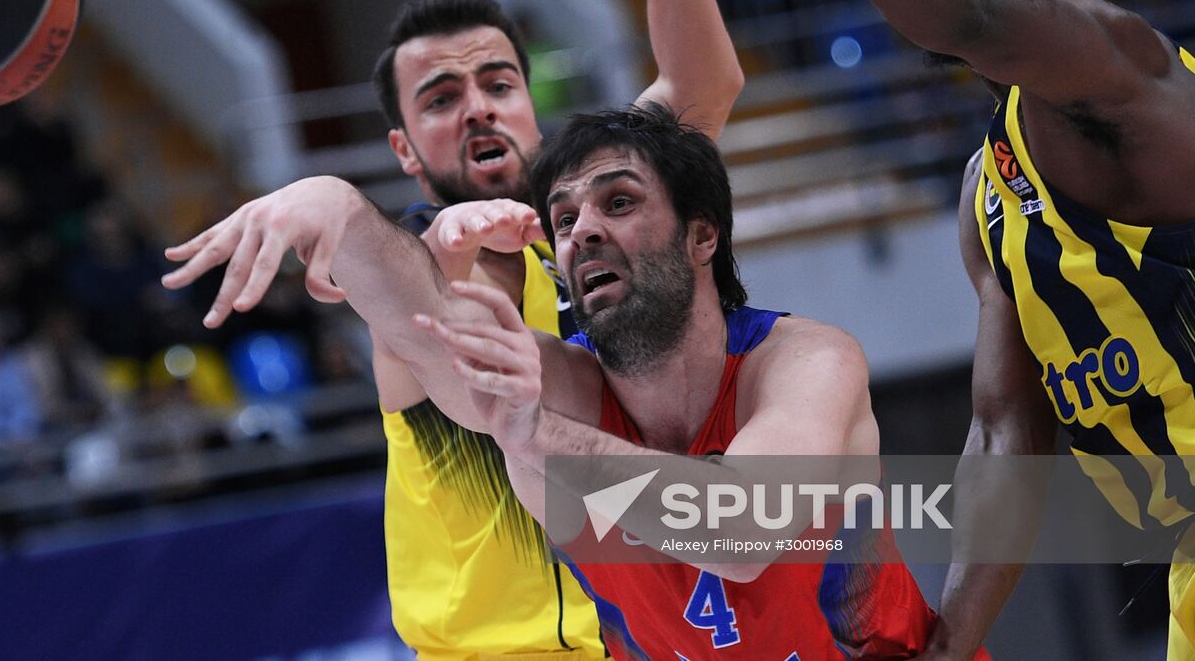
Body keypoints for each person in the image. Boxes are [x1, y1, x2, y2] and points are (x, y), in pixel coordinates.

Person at [655, 0, 1195, 660]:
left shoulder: (1127, 62)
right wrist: (953, 637)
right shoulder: (989, 192)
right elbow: (1004, 430)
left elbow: (968, 15)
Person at [186, 0, 744, 660]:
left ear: (532, 106)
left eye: (497, 83)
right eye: (442, 98)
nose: (478, 107)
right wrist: (342, 211)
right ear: (406, 150)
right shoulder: (405, 262)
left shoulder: (601, 217)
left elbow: (705, 87)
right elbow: (390, 285)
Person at [162, 104, 968, 660]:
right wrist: (332, 205)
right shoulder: (560, 382)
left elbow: (742, 535)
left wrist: (535, 432)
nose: (584, 230)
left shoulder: (803, 361)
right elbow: (425, 330)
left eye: (617, 201)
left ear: (699, 235)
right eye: (565, 216)